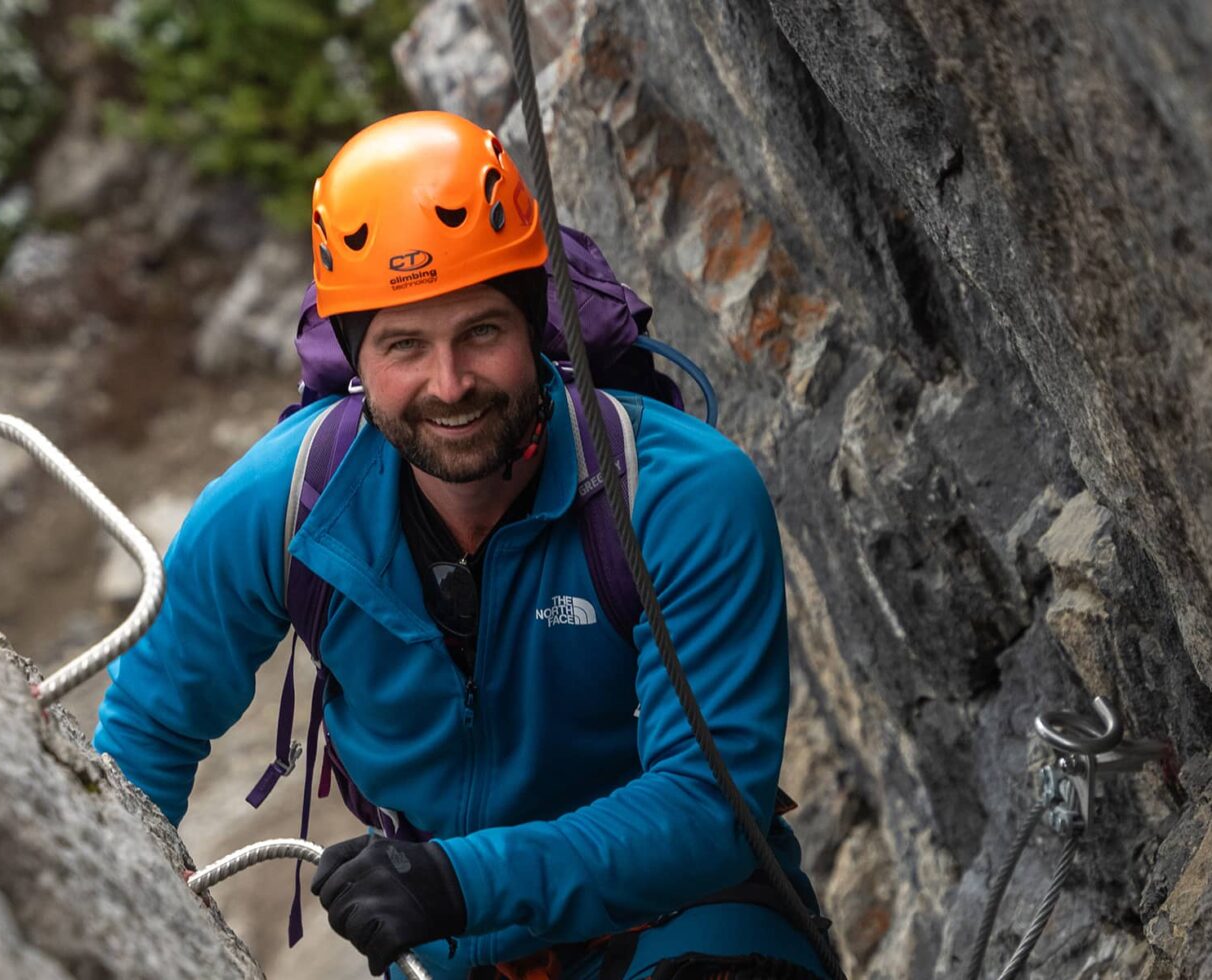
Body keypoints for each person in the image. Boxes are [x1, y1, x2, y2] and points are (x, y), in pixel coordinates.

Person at [94, 110, 827, 980]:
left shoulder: (675, 495)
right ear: (359, 358)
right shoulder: (287, 502)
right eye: (405, 345)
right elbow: (147, 729)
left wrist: (458, 880)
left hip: (687, 921)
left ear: (535, 328)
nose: (449, 386)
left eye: (481, 332)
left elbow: (710, 809)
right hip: (456, 947)